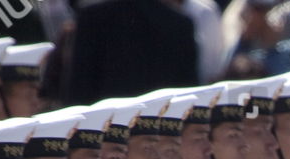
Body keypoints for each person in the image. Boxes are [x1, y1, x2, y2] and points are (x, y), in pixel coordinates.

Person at [62, 0, 201, 104]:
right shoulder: (180, 24)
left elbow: (78, 91)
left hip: (106, 129)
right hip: (161, 132)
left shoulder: (92, 18)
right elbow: (187, 96)